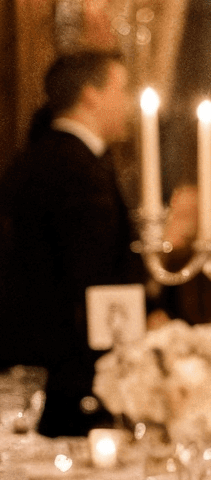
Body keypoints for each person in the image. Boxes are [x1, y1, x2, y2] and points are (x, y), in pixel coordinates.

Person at [0, 51, 144, 434]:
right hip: (72, 376)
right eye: (122, 88)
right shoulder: (76, 169)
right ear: (90, 95)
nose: (128, 102)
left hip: (31, 364)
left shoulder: (34, 157)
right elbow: (92, 280)